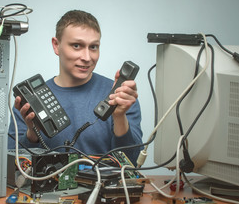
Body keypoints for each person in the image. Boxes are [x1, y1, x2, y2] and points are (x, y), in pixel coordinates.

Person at [8, 10, 143, 163]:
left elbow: (132, 162)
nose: (86, 57)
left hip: (105, 186)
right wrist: (33, 134)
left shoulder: (121, 96)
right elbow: (13, 166)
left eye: (93, 47)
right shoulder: (28, 101)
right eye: (77, 45)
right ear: (56, 45)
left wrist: (119, 117)